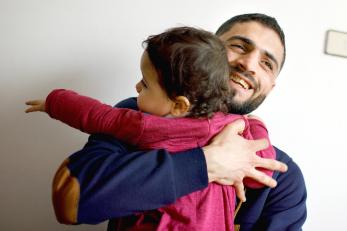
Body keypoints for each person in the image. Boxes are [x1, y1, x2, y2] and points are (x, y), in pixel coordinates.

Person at [41, 13, 307, 230]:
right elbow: (72, 200)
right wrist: (207, 163)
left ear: (270, 87)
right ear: (209, 49)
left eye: (266, 63)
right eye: (239, 46)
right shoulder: (139, 115)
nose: (249, 64)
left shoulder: (285, 177)